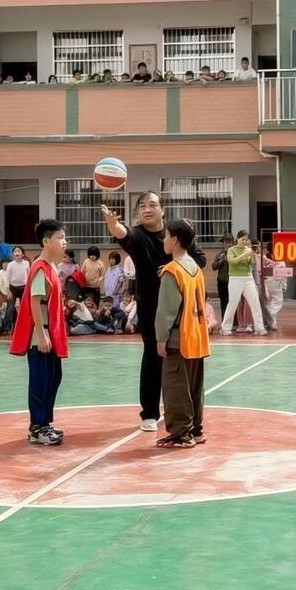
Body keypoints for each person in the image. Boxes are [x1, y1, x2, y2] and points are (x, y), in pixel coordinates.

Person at [102, 191, 206, 430]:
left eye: (152, 205)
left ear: (163, 210)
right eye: (142, 206)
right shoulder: (138, 236)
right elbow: (123, 233)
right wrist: (112, 224)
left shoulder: (176, 234)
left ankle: (189, 416)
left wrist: (174, 267)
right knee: (153, 356)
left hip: (183, 308)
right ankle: (149, 413)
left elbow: (200, 260)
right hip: (151, 309)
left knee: (186, 359)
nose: (147, 209)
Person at [10, 219, 68, 445]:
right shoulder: (41, 268)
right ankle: (37, 427)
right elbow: (34, 301)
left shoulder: (51, 267)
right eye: (60, 238)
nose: (64, 242)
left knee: (53, 378)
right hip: (41, 336)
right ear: (46, 241)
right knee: (41, 381)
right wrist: (42, 335)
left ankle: (45, 423)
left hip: (49, 334)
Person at [155, 219, 211, 449]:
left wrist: (161, 337)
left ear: (175, 240)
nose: (164, 239)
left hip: (179, 338)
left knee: (176, 387)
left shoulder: (173, 271)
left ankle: (181, 433)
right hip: (197, 335)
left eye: (166, 235)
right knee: (194, 386)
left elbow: (166, 310)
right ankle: (196, 429)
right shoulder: (196, 269)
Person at [220, 230, 267, 337]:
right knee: (232, 303)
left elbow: (252, 263)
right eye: (242, 239)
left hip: (248, 279)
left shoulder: (248, 249)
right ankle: (225, 328)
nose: (244, 241)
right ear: (237, 239)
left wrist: (253, 256)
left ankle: (260, 328)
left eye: (246, 239)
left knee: (255, 303)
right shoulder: (231, 250)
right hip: (235, 279)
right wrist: (244, 255)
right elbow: (232, 262)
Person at [211, 233, 234, 318]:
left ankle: (233, 321)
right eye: (225, 242)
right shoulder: (220, 254)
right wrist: (222, 260)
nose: (227, 244)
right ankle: (224, 320)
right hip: (221, 281)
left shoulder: (235, 253)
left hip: (232, 281)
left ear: (233, 243)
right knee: (223, 302)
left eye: (229, 242)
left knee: (232, 302)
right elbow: (213, 266)